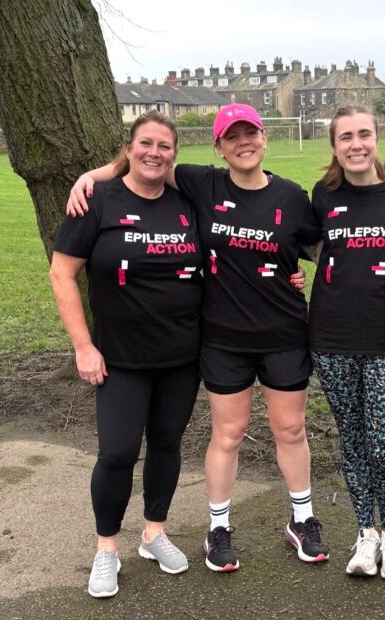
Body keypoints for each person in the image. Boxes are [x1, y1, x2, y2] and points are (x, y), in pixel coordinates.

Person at [67, 103, 328, 572]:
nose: (244, 143)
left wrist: (298, 276)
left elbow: (319, 251)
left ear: (265, 138)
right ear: (218, 147)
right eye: (232, 136)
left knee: (290, 429)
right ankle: (217, 529)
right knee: (226, 434)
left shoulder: (291, 196)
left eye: (251, 133)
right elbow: (146, 162)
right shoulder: (201, 183)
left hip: (283, 333)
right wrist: (92, 175)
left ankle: (302, 520)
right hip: (222, 336)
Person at [50, 111, 202, 598]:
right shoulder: (97, 200)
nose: (154, 152)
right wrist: (83, 346)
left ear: (174, 155)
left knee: (167, 444)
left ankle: (154, 533)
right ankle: (107, 549)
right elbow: (61, 274)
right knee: (117, 454)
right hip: (119, 357)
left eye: (164, 145)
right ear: (129, 148)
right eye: (146, 143)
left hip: (182, 355)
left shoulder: (187, 202)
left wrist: (289, 274)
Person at [307, 106, 385, 579]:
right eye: (346, 137)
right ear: (334, 146)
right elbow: (308, 246)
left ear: (377, 139)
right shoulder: (323, 195)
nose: (356, 144)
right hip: (331, 338)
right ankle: (364, 532)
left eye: (364, 135)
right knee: (352, 442)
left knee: (382, 445)